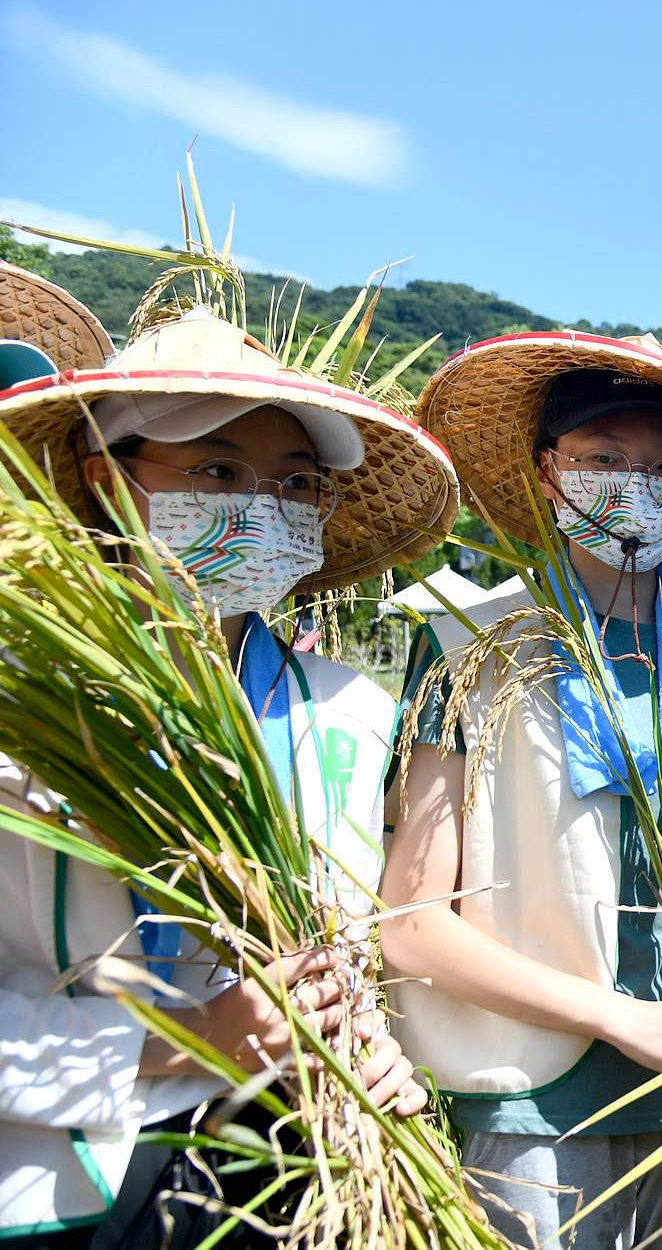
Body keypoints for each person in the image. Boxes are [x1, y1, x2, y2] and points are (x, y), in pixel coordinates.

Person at [0, 306, 454, 1245]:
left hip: (291, 1162)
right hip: (49, 1175)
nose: (263, 507)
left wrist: (369, 1046)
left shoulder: (350, 711)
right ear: (107, 480)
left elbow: (346, 940)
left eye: (294, 485)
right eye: (216, 471)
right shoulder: (25, 701)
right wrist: (182, 1042)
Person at [381, 331, 662, 1250]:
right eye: (603, 459)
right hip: (531, 1101)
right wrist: (622, 1019)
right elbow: (412, 921)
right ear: (548, 471)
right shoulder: (470, 645)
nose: (637, 485)